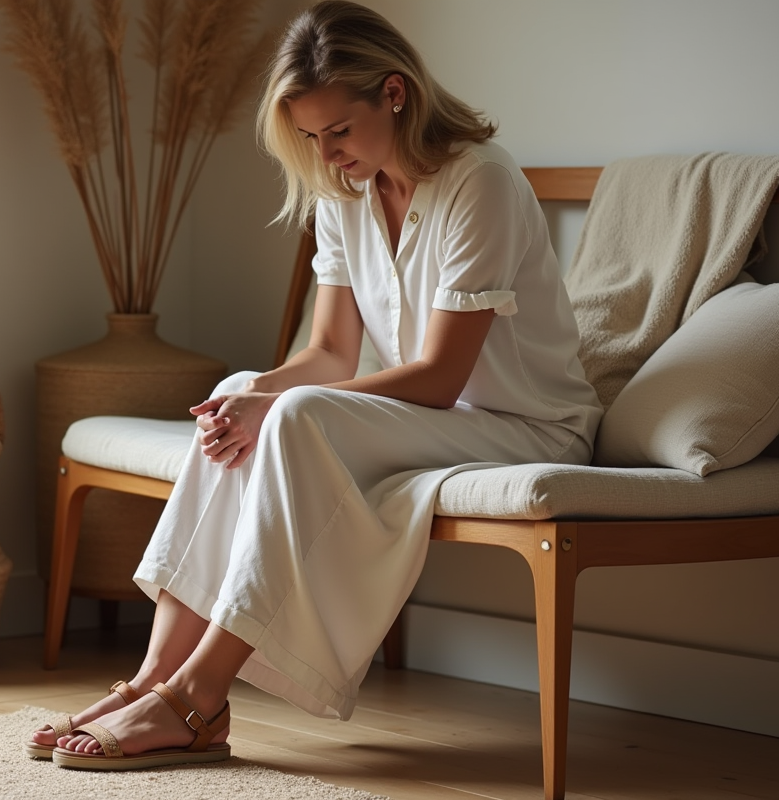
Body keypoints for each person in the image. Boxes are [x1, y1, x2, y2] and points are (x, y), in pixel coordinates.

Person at [32, 0, 603, 770]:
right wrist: (249, 394)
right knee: (245, 388)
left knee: (291, 414)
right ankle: (153, 679)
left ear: (394, 94)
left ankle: (200, 695)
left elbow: (439, 377)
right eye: (310, 136)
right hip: (427, 419)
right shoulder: (346, 192)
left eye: (339, 130)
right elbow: (331, 352)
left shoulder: (481, 183)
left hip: (520, 424)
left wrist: (277, 405)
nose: (327, 152)